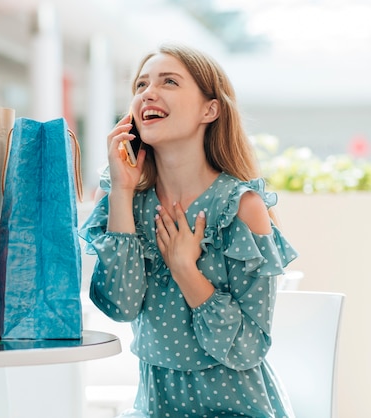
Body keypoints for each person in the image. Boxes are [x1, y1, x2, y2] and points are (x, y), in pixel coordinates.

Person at [79, 43, 299, 417]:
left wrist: (186, 271)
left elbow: (246, 348)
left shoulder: (241, 208)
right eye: (141, 85)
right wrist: (122, 190)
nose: (149, 92)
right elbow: (120, 305)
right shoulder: (125, 198)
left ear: (209, 109)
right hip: (156, 407)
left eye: (169, 82)